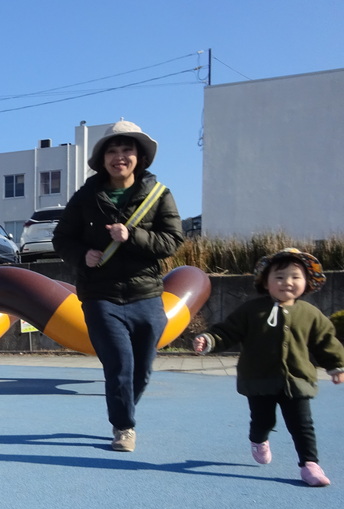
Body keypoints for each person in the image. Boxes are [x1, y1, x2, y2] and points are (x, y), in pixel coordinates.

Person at [52, 119, 184, 452]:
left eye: (127, 150)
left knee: (141, 370)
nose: (120, 157)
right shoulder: (86, 197)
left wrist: (133, 235)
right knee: (119, 365)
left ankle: (124, 406)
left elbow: (173, 240)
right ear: (103, 158)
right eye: (113, 150)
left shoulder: (158, 195)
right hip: (101, 296)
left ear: (139, 157)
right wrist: (84, 255)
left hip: (147, 295)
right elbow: (61, 238)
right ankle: (123, 426)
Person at [193, 249, 344, 487]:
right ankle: (258, 439)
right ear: (266, 281)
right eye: (280, 276)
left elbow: (325, 341)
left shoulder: (311, 314)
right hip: (259, 380)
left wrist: (336, 365)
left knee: (302, 424)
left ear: (307, 282)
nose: (288, 282)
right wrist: (209, 340)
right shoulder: (252, 310)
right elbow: (228, 331)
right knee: (263, 421)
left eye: (296, 277)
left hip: (297, 380)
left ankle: (309, 464)